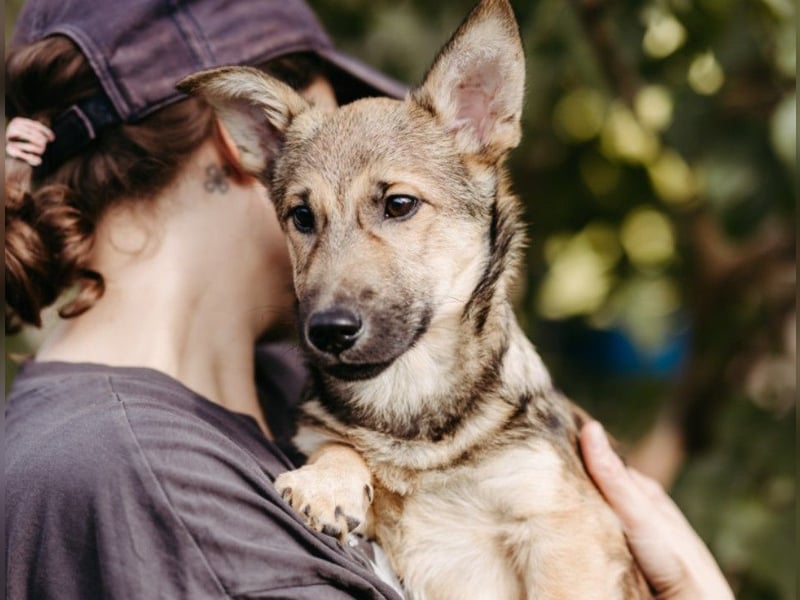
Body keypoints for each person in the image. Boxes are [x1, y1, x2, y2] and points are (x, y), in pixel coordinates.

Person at [4, 0, 733, 598]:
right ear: (247, 141)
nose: (341, 265)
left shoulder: (283, 386)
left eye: (394, 204)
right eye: (308, 212)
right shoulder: (137, 479)